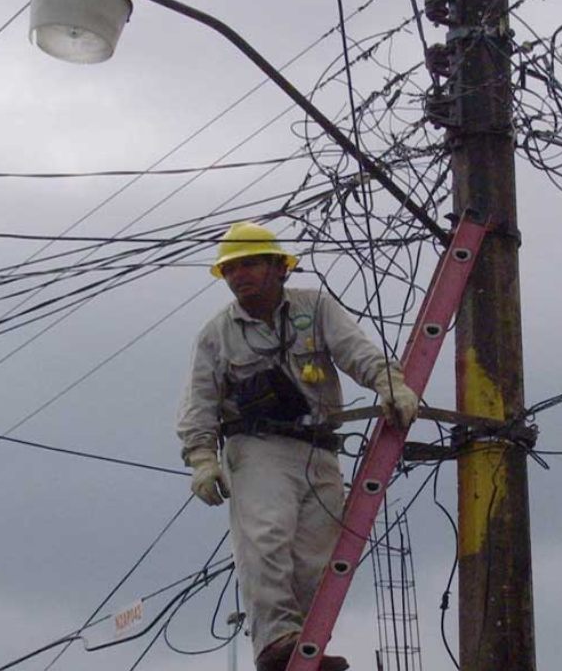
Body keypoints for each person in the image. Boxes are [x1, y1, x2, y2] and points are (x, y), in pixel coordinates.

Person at [175, 222, 420, 671]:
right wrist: (203, 459)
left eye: (248, 264)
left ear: (277, 266)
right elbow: (200, 402)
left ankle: (304, 646)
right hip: (259, 446)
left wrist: (390, 384)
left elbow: (356, 351)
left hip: (320, 447)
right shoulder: (218, 334)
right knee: (267, 538)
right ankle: (274, 642)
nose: (238, 275)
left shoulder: (315, 308)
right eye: (230, 269)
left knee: (318, 557)